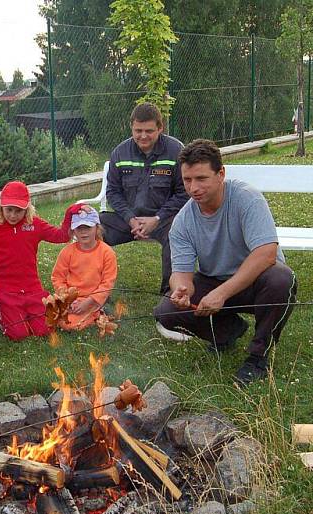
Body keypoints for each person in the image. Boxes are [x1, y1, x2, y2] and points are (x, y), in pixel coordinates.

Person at [154, 139, 297, 385]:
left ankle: (257, 357)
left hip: (257, 281)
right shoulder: (183, 221)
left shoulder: (246, 198)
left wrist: (221, 293)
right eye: (187, 180)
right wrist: (182, 288)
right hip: (215, 280)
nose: (193, 188)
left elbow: (266, 254)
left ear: (221, 173)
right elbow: (181, 272)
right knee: (166, 310)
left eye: (201, 179)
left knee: (281, 279)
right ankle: (227, 332)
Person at [0, 181, 86, 341]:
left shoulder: (34, 224)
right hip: (8, 290)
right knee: (18, 334)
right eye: (8, 210)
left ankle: (21, 312)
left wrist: (71, 212)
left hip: (33, 289)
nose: (12, 215)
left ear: (27, 209)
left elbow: (62, 236)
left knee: (44, 330)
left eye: (18, 211)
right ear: (1, 208)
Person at [102, 102, 189, 293]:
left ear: (160, 128)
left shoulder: (176, 151)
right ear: (131, 127)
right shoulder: (120, 152)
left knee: (178, 233)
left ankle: (170, 293)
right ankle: (94, 291)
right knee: (92, 226)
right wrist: (130, 219)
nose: (143, 136)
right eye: (138, 130)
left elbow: (184, 192)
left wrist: (157, 219)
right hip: (128, 221)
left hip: (165, 220)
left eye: (149, 130)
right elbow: (113, 193)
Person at [51, 207, 118, 330]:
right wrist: (67, 298)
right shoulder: (67, 252)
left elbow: (107, 283)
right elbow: (57, 277)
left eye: (88, 227)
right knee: (49, 318)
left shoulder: (107, 253)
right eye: (79, 228)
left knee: (69, 324)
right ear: (73, 231)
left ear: (97, 228)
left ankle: (98, 313)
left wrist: (88, 302)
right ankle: (86, 315)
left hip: (92, 299)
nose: (83, 232)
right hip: (70, 299)